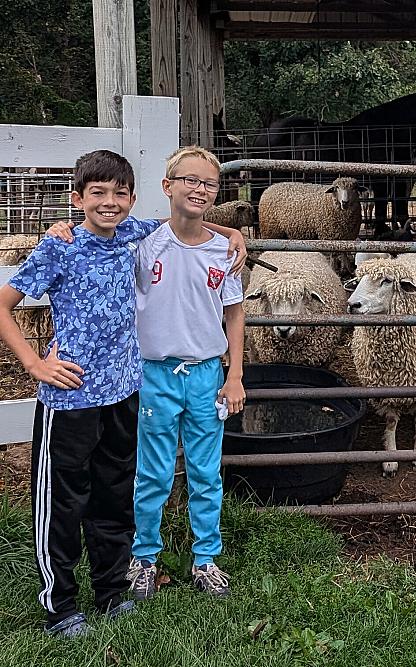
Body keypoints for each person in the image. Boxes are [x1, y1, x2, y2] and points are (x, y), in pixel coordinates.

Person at [0, 150, 156, 637]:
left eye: (119, 193)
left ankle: (110, 593)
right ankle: (61, 606)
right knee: (63, 503)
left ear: (131, 199)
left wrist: (232, 232)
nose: (110, 202)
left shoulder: (132, 233)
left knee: (114, 494)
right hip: (71, 397)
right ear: (78, 198)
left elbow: (185, 224)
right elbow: (5, 304)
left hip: (122, 392)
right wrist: (33, 363)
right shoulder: (58, 248)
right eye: (98, 193)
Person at [126, 146, 245, 600]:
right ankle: (144, 557)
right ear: (167, 186)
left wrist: (234, 375)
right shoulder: (144, 244)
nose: (199, 189)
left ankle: (206, 559)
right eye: (190, 180)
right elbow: (100, 229)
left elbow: (233, 314)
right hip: (155, 373)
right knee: (153, 471)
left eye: (209, 183)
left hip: (206, 376)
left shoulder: (223, 251)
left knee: (205, 471)